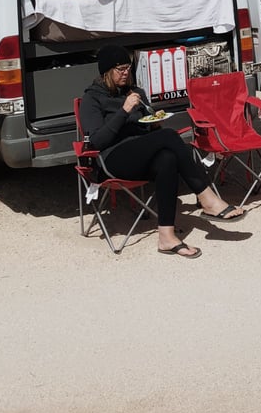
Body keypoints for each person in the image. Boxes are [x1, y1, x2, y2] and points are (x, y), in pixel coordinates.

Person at [79, 44, 247, 259]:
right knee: (169, 137)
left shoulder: (136, 92)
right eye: (120, 69)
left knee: (167, 158)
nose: (125, 73)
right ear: (106, 72)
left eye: (128, 68)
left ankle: (166, 238)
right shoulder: (92, 98)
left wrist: (154, 123)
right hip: (112, 159)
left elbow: (144, 127)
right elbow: (96, 141)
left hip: (140, 154)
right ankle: (208, 199)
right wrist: (124, 111)